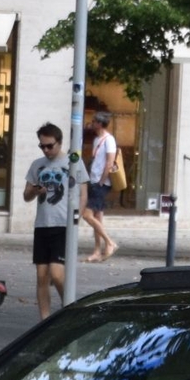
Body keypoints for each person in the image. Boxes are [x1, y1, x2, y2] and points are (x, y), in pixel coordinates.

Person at [22, 122, 71, 318]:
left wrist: (77, 220)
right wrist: (34, 190)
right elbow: (26, 195)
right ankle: (45, 320)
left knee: (57, 274)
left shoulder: (71, 164)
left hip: (62, 224)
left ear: (59, 143)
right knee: (41, 276)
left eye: (50, 145)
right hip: (42, 225)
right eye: (42, 146)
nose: (46, 150)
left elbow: (82, 193)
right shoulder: (37, 165)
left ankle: (69, 308)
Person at [80, 111, 119, 261]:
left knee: (86, 214)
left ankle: (110, 243)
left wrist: (102, 181)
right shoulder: (97, 140)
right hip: (94, 180)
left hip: (100, 183)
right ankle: (97, 251)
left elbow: (110, 162)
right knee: (97, 217)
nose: (92, 123)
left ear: (100, 124)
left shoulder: (109, 140)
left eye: (94, 121)